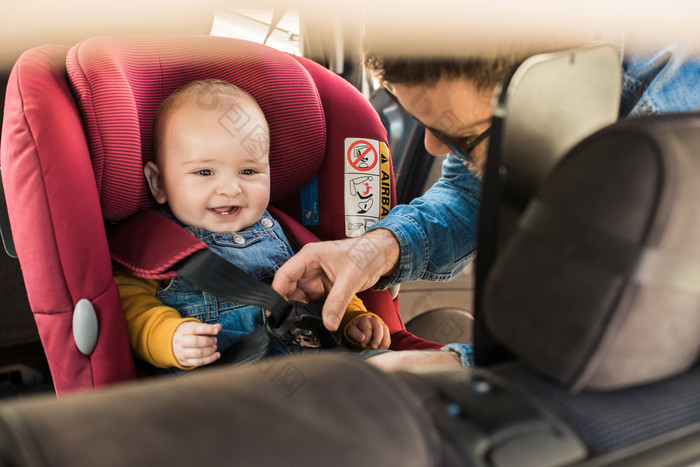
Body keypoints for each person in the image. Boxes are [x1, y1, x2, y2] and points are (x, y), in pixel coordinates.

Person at [272, 40, 700, 371]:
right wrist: (379, 246)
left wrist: (461, 365)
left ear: (554, 86)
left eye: (458, 137)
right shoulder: (499, 93)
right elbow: (470, 192)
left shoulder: (674, 128)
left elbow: (628, 333)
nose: (431, 146)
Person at [114, 79, 390, 371]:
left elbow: (326, 284)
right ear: (159, 183)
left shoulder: (285, 233)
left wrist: (352, 319)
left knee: (392, 371)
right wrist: (168, 337)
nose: (230, 188)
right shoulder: (156, 247)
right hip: (228, 382)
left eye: (248, 170)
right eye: (204, 172)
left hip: (317, 367)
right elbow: (130, 306)